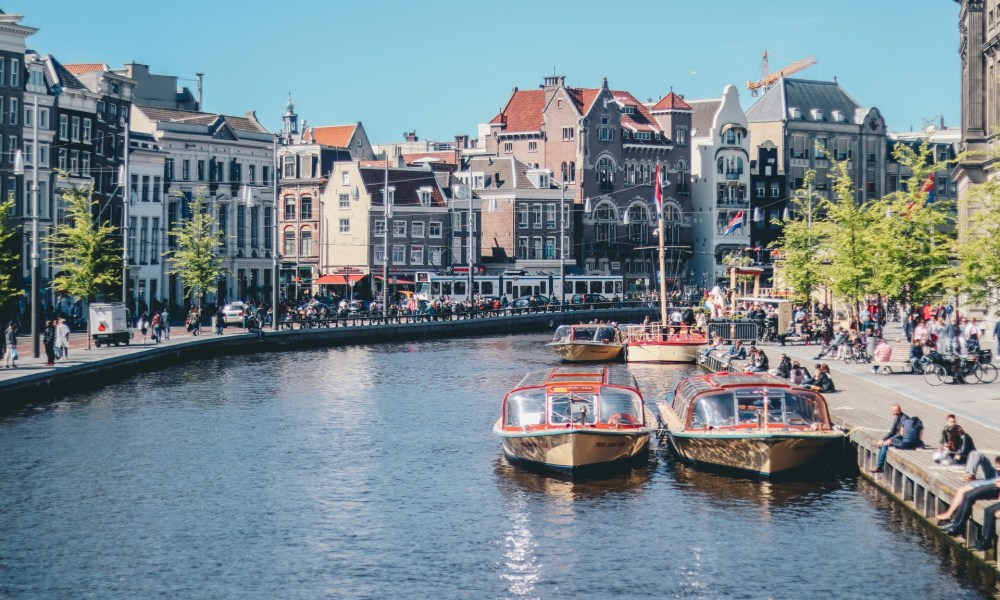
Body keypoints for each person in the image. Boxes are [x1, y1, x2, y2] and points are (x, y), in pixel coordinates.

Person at [935, 457, 1000, 535]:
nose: (998, 469)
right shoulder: (998, 471)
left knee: (969, 495)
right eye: (997, 467)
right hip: (994, 485)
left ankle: (958, 525)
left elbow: (993, 482)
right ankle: (955, 522)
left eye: (999, 467)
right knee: (964, 491)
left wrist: (975, 483)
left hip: (996, 489)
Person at [869, 404, 914, 473]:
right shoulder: (897, 418)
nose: (896, 413)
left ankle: (879, 467)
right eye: (894, 412)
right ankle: (878, 465)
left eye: (897, 411)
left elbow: (901, 434)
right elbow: (892, 432)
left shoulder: (905, 419)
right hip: (900, 438)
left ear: (900, 410)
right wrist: (883, 439)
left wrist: (890, 440)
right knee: (882, 443)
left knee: (885, 445)